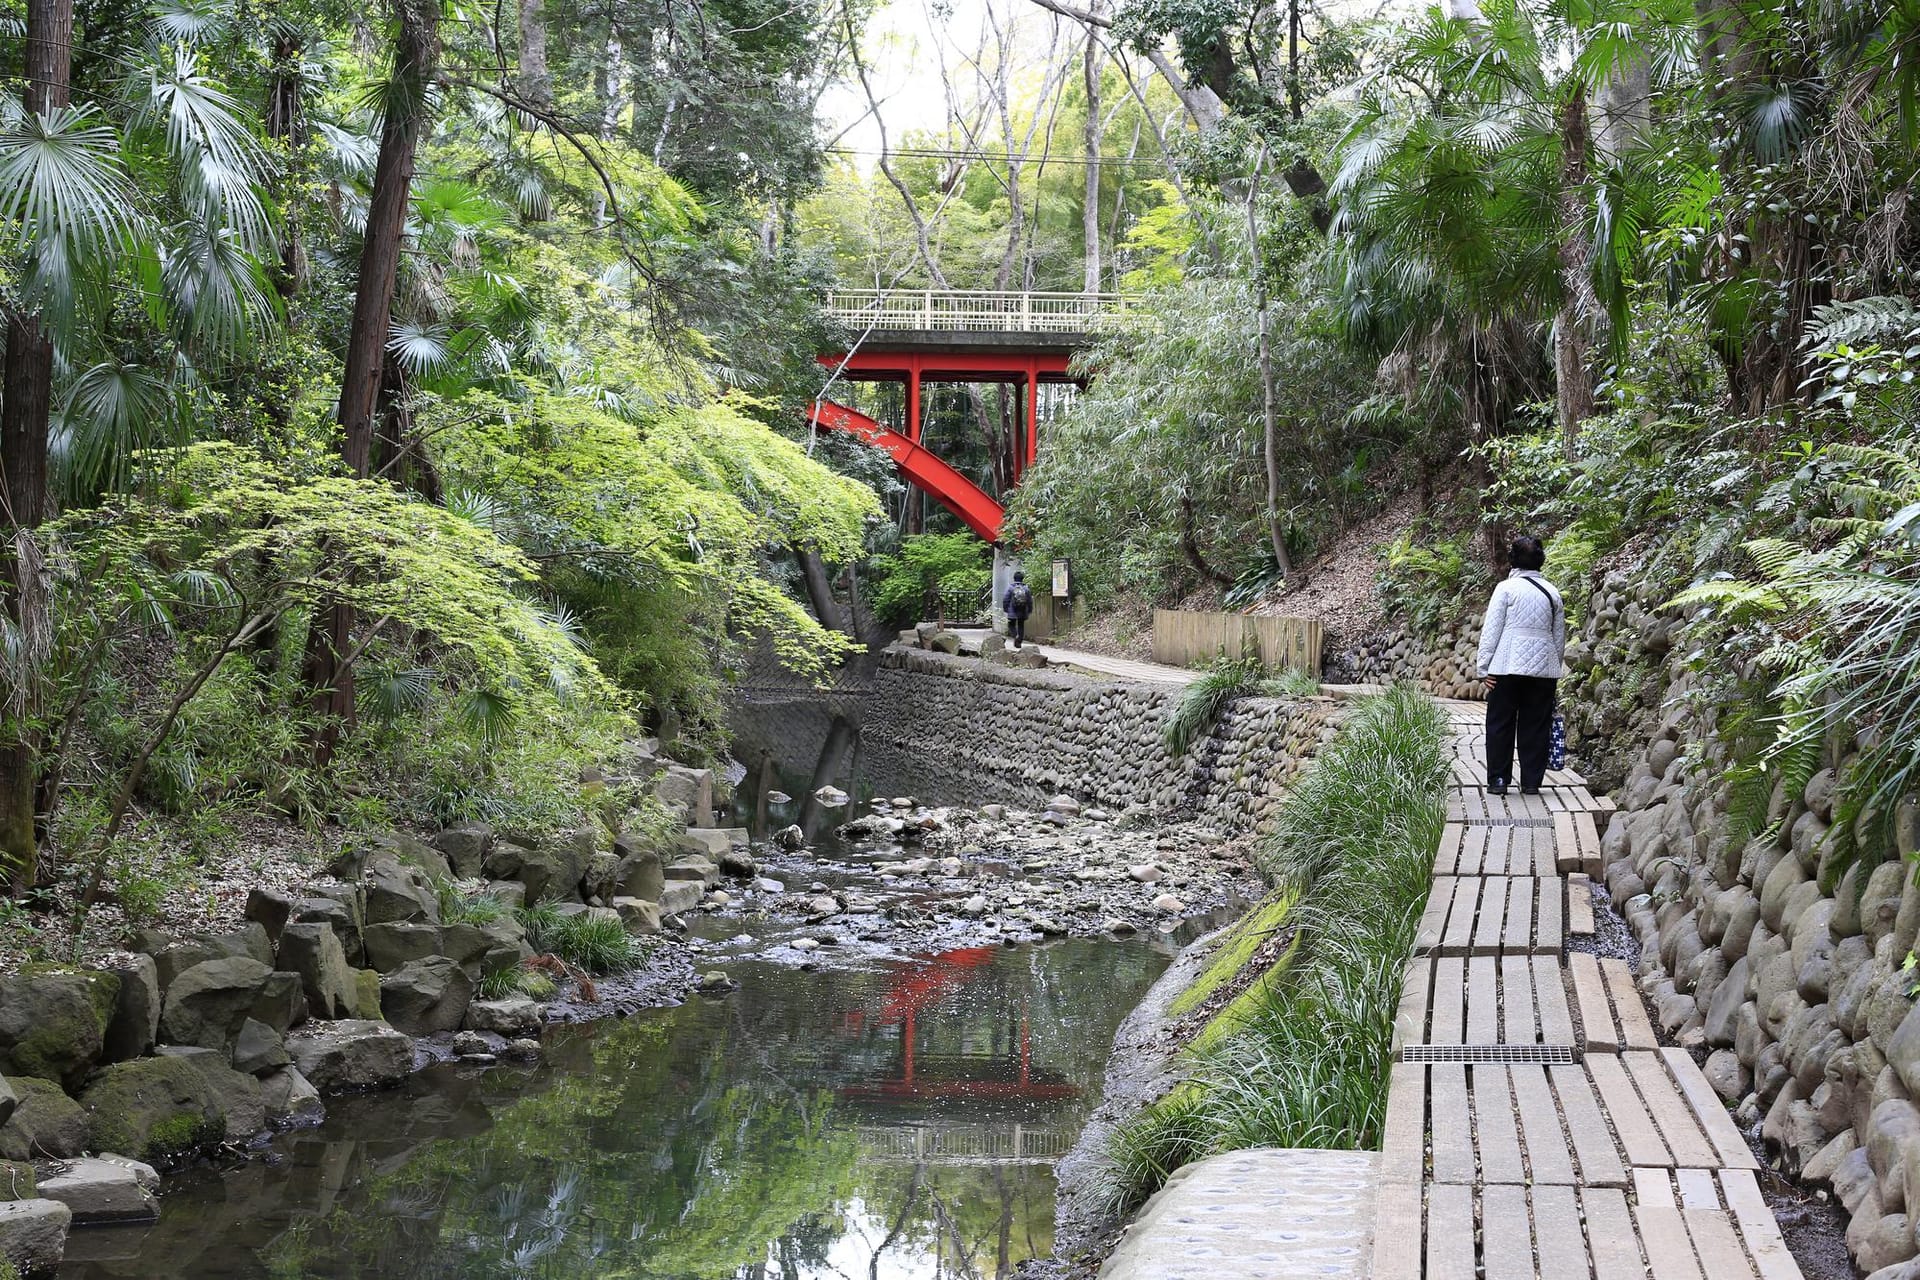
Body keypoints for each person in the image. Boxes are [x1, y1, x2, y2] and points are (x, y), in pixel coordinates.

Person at [1475, 535, 1566, 796]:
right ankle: (1531, 782)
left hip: (1506, 667)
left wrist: (1484, 670)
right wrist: (1553, 667)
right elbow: (1558, 637)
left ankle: (1499, 781)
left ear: (1512, 560)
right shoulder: (1553, 593)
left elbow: (1491, 631)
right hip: (1543, 670)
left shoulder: (1505, 589)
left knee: (1500, 723)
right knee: (1536, 724)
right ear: (1540, 561)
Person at [1003, 571, 1035, 649]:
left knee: (1011, 625)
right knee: (1021, 625)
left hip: (1012, 610)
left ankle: (1015, 635)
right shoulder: (1026, 588)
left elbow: (1005, 599)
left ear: (1014, 578)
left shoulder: (1010, 588)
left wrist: (1006, 608)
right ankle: (1019, 642)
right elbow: (1029, 600)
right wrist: (1030, 609)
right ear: (1022, 579)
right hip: (1022, 610)